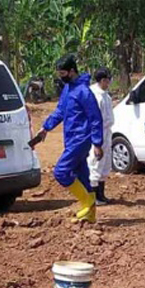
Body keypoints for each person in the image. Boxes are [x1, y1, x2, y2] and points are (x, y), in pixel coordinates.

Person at [30, 55, 104, 223]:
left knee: (61, 172)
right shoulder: (68, 89)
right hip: (71, 138)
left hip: (81, 138)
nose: (60, 76)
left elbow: (95, 118)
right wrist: (46, 128)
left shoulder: (84, 92)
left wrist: (97, 143)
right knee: (82, 174)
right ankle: (90, 215)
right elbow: (60, 111)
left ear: (72, 71)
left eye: (63, 73)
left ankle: (87, 201)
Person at [87, 67, 115, 204]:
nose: (109, 83)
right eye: (108, 80)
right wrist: (96, 141)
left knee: (105, 163)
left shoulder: (105, 94)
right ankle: (94, 197)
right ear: (103, 80)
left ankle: (101, 194)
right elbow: (94, 120)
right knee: (95, 163)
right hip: (98, 133)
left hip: (106, 132)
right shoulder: (96, 96)